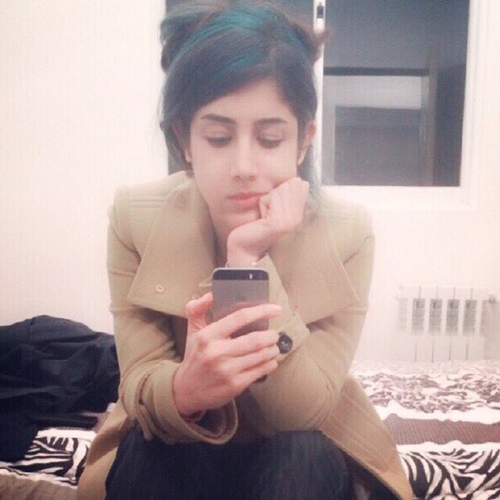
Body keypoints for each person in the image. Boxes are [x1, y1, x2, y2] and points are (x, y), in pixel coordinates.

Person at [78, 1, 412, 499]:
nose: (243, 166)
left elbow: (303, 413)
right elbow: (140, 378)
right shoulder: (135, 217)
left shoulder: (348, 232)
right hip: (181, 443)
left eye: (270, 139)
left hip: (295, 456)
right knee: (150, 451)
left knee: (302, 452)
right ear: (184, 139)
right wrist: (184, 390)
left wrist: (247, 263)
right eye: (218, 137)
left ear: (303, 142)